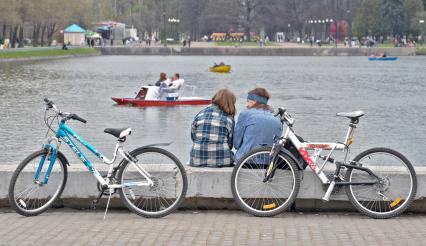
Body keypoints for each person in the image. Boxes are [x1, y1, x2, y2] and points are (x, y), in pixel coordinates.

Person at [233, 88, 283, 162]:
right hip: (269, 163)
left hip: (246, 161)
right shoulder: (277, 119)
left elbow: (236, 144)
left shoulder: (245, 114)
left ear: (254, 101)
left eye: (248, 101)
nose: (247, 104)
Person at [189, 89, 236, 167]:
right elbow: (230, 144)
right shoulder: (229, 119)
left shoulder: (200, 114)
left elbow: (193, 137)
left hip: (197, 159)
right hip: (222, 160)